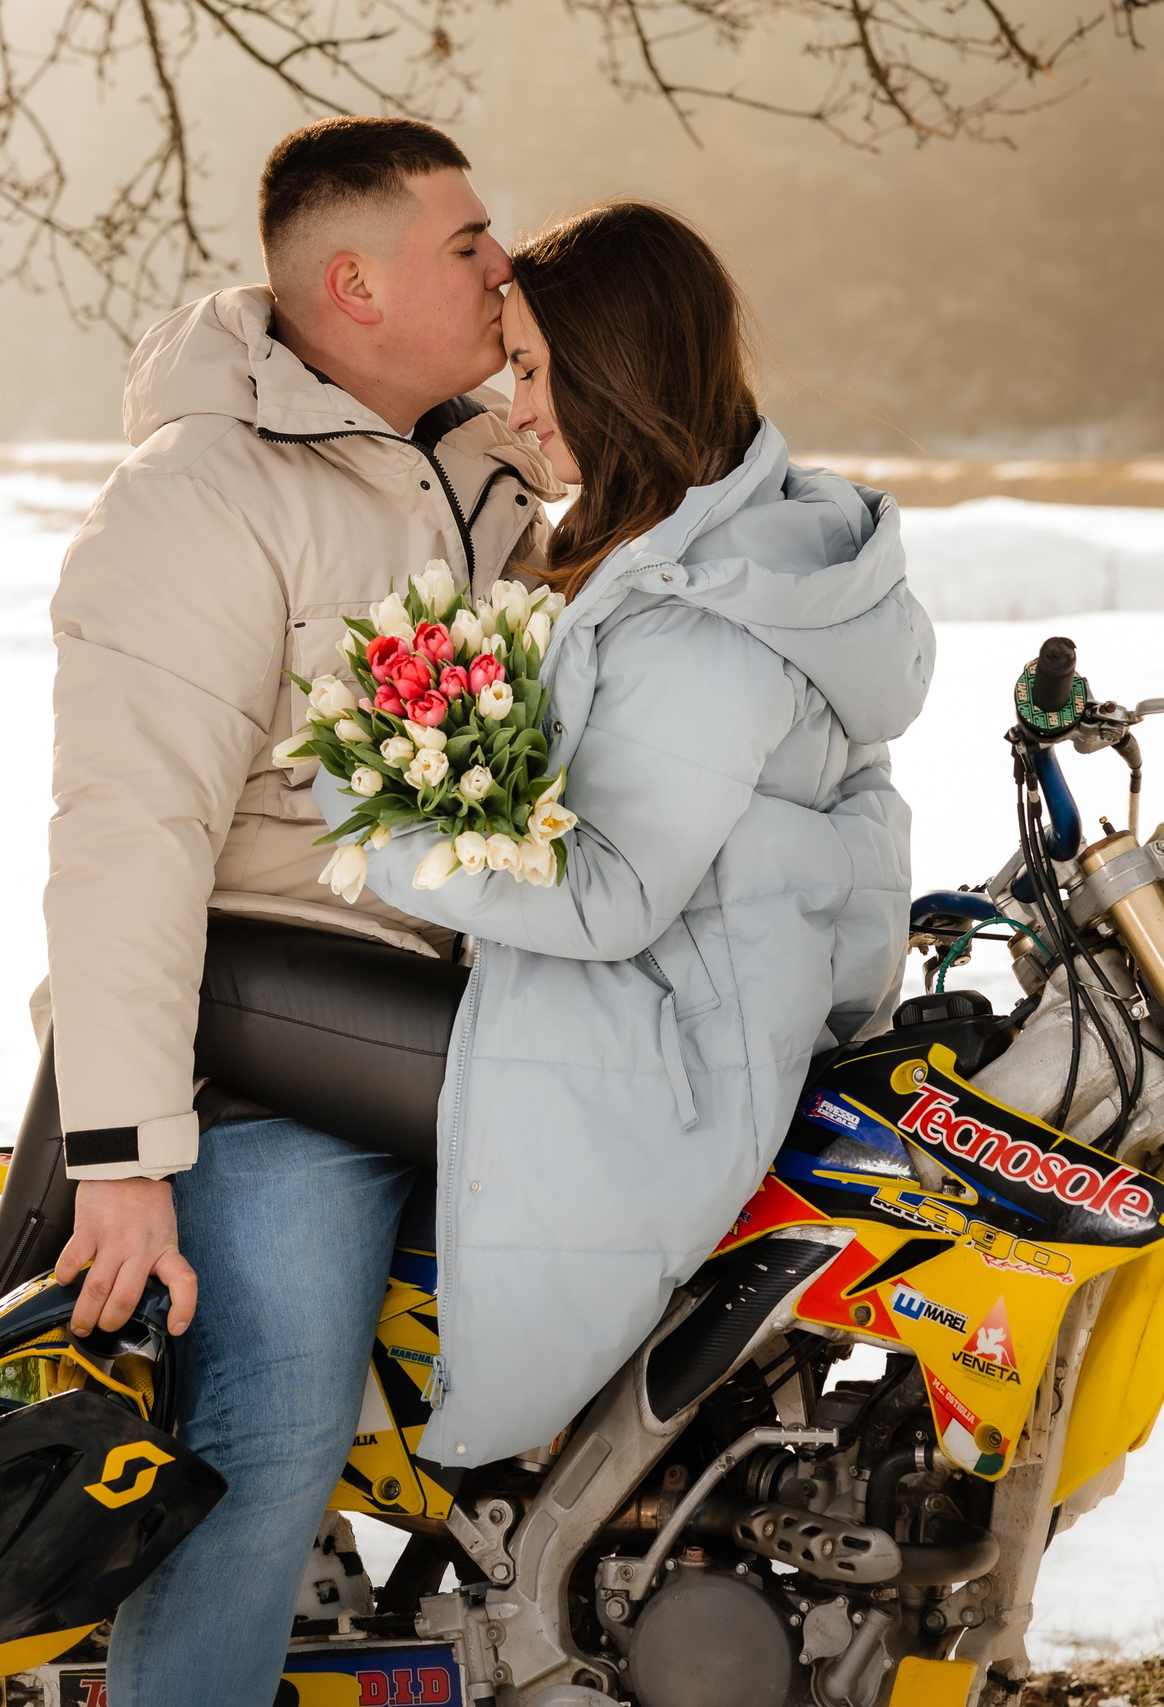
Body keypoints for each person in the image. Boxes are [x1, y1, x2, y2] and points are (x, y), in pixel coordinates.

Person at [34, 118, 554, 1705]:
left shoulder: (490, 466)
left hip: (497, 1018)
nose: (502, 264)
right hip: (275, 1051)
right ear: (354, 280)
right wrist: (119, 1156)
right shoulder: (201, 495)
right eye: (466, 242)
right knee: (266, 1438)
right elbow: (131, 832)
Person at [314, 200, 934, 1464]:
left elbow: (608, 901)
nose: (516, 405)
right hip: (710, 997)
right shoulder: (725, 548)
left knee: (230, 991)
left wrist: (373, 814)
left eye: (534, 370)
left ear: (618, 369)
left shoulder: (701, 619)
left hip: (664, 1036)